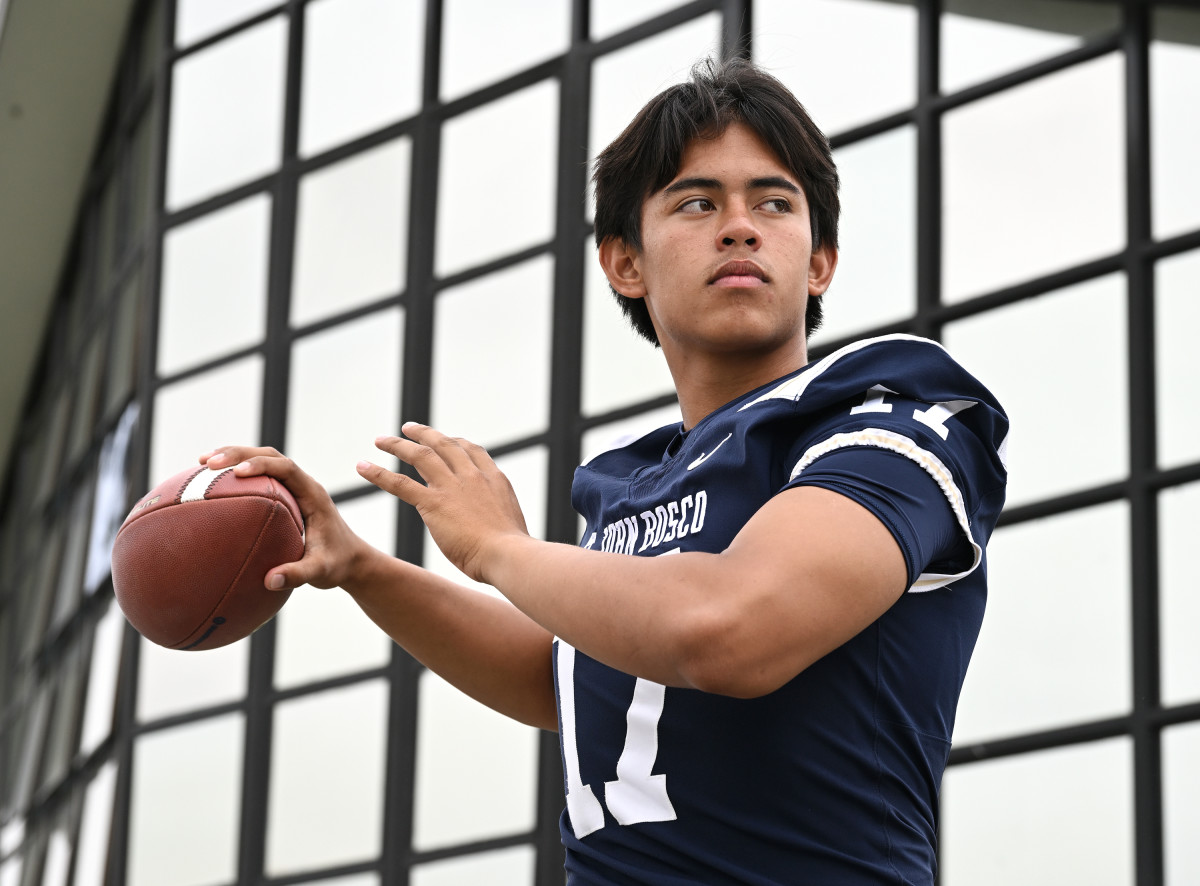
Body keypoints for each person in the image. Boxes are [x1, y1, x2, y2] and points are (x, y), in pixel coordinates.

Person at [201, 58, 1008, 885]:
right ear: (624, 262)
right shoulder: (634, 484)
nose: (740, 226)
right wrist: (364, 569)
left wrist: (498, 549)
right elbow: (564, 678)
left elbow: (728, 631)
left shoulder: (890, 417)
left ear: (819, 263)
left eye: (774, 202)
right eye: (698, 203)